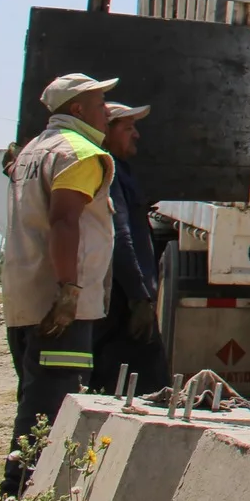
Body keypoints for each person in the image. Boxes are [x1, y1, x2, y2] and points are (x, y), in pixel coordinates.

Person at [1, 73, 119, 497]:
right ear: (77, 110)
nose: (107, 110)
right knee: (49, 410)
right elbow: (64, 220)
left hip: (25, 298)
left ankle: (20, 492)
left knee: (34, 398)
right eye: (100, 102)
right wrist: (69, 290)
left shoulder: (33, 150)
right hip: (59, 305)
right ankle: (19, 495)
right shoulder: (80, 153)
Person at [90, 102, 169, 395]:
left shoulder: (120, 170)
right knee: (144, 390)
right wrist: (139, 298)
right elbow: (119, 237)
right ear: (105, 132)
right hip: (122, 303)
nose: (136, 135)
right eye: (128, 128)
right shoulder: (109, 171)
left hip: (123, 299)